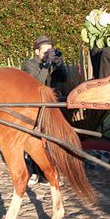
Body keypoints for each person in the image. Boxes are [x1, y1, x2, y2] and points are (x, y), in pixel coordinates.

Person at [21, 36, 67, 186]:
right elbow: (37, 84)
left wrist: (59, 64)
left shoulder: (51, 63)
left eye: (50, 50)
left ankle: (49, 172)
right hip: (35, 106)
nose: (48, 53)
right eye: (45, 51)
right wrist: (47, 65)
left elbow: (63, 79)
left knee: (52, 139)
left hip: (52, 105)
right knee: (35, 138)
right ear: (37, 51)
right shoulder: (29, 65)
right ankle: (34, 171)